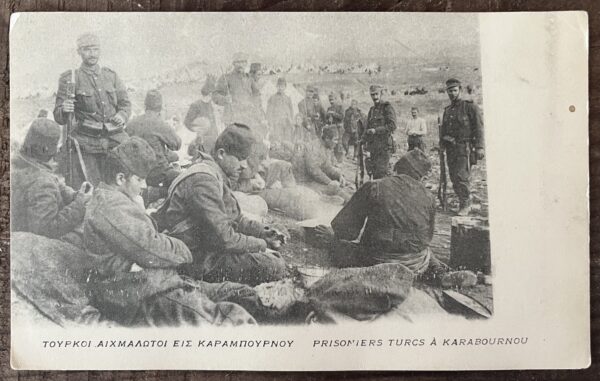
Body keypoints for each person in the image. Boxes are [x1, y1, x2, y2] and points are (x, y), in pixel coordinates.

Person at [83, 137, 257, 326]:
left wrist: (140, 208)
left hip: (153, 283)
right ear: (120, 178)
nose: (143, 186)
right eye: (140, 179)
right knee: (229, 320)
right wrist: (183, 249)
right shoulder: (111, 206)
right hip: (139, 293)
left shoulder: (116, 199)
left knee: (241, 292)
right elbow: (152, 249)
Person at [156, 124, 287, 287]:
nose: (244, 165)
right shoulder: (204, 180)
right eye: (240, 158)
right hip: (195, 259)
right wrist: (261, 245)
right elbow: (224, 239)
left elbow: (235, 218)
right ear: (221, 154)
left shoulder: (214, 174)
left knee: (272, 257)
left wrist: (264, 233)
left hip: (205, 249)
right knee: (274, 265)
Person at [314, 149, 437, 275]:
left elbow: (345, 231)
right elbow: (427, 237)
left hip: (378, 260)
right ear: (421, 177)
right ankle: (438, 271)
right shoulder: (430, 197)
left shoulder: (374, 186)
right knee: (425, 252)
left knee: (337, 244)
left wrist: (333, 238)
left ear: (397, 167)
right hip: (416, 263)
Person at [53, 33, 131, 188]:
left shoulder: (111, 76)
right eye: (87, 50)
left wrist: (122, 116)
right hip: (87, 143)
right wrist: (64, 109)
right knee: (90, 186)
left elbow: (125, 104)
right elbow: (58, 115)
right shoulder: (70, 78)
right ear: (79, 52)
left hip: (114, 139)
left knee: (124, 181)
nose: (92, 54)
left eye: (95, 49)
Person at [11, 118, 93, 239]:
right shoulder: (41, 182)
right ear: (50, 151)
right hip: (33, 244)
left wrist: (75, 196)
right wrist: (79, 205)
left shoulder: (19, 162)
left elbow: (54, 183)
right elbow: (46, 230)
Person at [440, 78, 485, 216]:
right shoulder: (447, 110)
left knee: (461, 176)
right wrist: (442, 144)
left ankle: (466, 203)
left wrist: (479, 147)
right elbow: (444, 130)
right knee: (454, 177)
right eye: (450, 91)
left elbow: (479, 127)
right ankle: (462, 201)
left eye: (454, 90)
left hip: (464, 148)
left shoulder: (469, 107)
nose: (452, 93)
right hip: (450, 149)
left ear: (460, 90)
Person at [126, 89, 181, 192]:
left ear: (145, 105)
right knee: (183, 180)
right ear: (160, 107)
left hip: (138, 173)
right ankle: (159, 193)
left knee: (174, 157)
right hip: (158, 173)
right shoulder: (159, 123)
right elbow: (177, 145)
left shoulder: (131, 123)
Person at [292, 125, 350, 202]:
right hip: (303, 182)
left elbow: (327, 167)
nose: (337, 143)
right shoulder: (314, 147)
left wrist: (338, 176)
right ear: (326, 139)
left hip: (312, 179)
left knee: (340, 188)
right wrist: (329, 182)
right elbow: (313, 170)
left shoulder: (326, 147)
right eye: (335, 140)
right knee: (334, 189)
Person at [213, 53, 266, 138]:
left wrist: (256, 110)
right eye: (238, 62)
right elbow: (215, 95)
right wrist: (224, 99)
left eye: (243, 62)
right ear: (233, 63)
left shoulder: (249, 78)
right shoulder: (226, 78)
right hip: (232, 118)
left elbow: (257, 95)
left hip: (248, 118)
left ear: (246, 64)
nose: (241, 64)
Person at [364, 84, 397, 179]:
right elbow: (367, 128)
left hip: (384, 147)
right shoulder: (372, 110)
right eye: (372, 95)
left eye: (376, 94)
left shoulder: (387, 107)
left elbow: (392, 125)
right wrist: (362, 140)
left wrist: (376, 130)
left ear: (381, 94)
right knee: (374, 173)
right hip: (374, 148)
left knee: (381, 173)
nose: (375, 97)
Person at [266, 77, 294, 142]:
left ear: (285, 87)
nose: (280, 88)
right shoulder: (272, 98)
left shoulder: (288, 98)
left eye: (282, 86)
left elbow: (291, 111)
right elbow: (269, 113)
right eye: (279, 86)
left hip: (287, 123)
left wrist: (291, 121)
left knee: (287, 141)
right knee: (278, 141)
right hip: (277, 124)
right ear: (276, 86)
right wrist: (271, 125)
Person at [326, 92, 345, 163]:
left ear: (336, 99)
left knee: (339, 143)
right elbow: (326, 119)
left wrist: (333, 114)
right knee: (332, 143)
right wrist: (328, 119)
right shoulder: (329, 108)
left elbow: (342, 117)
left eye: (332, 99)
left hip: (339, 128)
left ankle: (340, 160)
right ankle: (332, 160)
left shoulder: (340, 107)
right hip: (331, 128)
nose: (331, 101)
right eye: (330, 100)